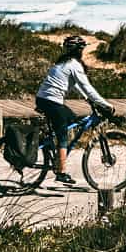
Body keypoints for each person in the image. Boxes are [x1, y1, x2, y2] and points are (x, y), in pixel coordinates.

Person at [35, 34, 112, 185]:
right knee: (63, 134)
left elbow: (77, 86)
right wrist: (105, 105)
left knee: (71, 118)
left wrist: (87, 99)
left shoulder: (61, 63)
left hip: (43, 99)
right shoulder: (74, 65)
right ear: (79, 50)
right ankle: (61, 172)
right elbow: (88, 88)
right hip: (52, 102)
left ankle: (55, 151)